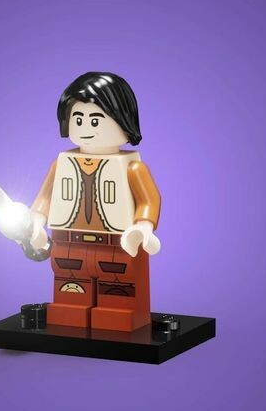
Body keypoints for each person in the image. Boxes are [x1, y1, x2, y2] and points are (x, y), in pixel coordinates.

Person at [20, 72, 161, 332]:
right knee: (69, 280)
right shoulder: (61, 164)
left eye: (95, 120)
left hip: (119, 242)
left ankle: (117, 317)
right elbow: (45, 197)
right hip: (67, 240)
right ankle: (69, 315)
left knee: (119, 283)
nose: (85, 128)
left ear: (123, 120)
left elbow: (148, 199)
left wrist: (143, 227)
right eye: (78, 119)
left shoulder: (132, 168)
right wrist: (36, 224)